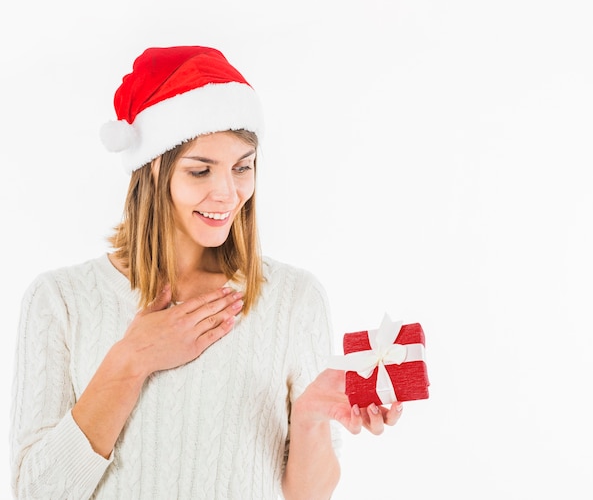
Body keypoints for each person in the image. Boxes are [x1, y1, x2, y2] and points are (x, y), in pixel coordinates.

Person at [10, 45, 403, 499]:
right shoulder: (60, 301)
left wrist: (312, 416)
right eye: (200, 171)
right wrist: (131, 360)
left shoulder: (295, 299)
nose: (228, 194)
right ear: (151, 170)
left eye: (242, 168)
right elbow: (36, 492)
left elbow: (305, 497)